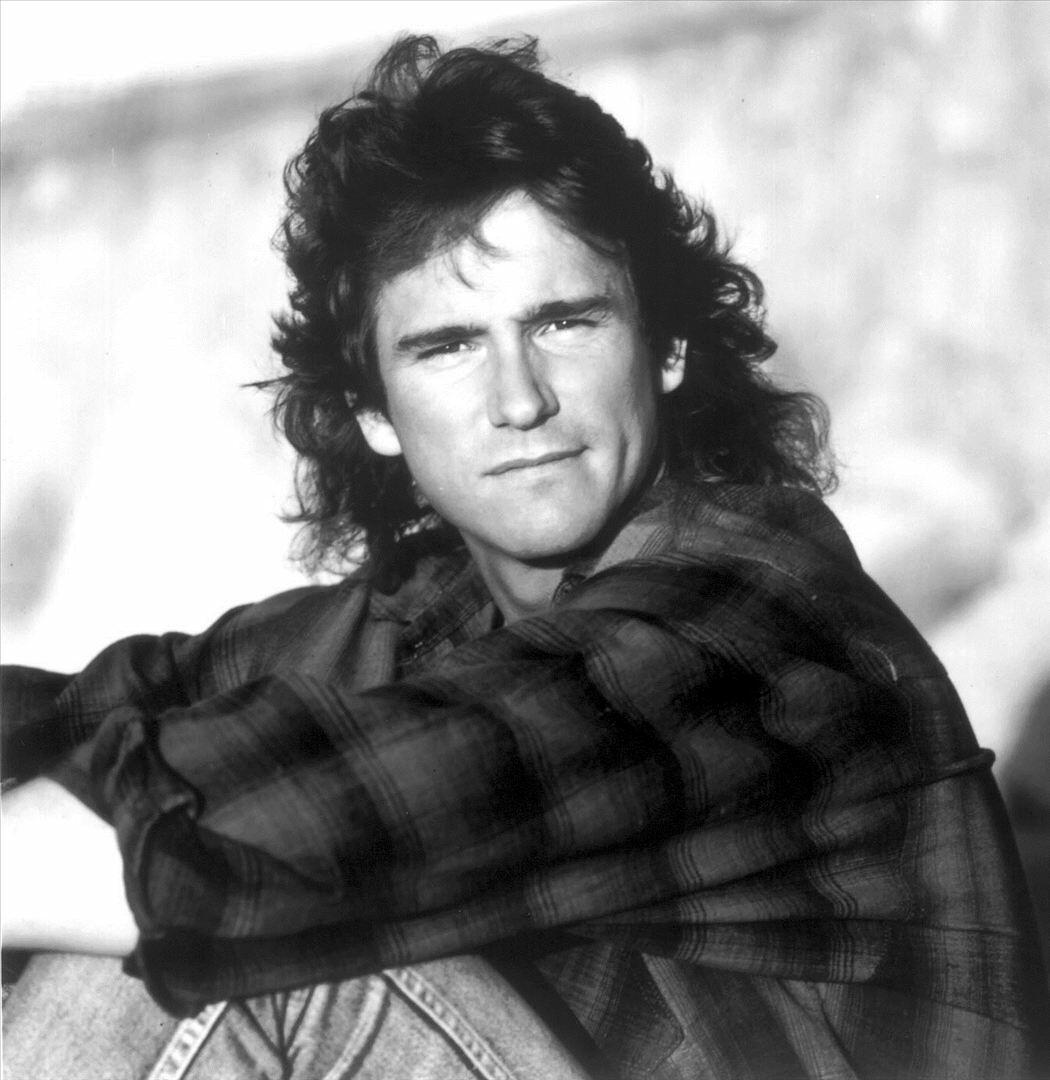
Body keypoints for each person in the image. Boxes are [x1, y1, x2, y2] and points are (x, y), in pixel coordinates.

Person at [2, 35, 1046, 1080]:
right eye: (449, 346)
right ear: (374, 412)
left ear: (665, 347)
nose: (520, 400)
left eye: (564, 323)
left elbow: (294, 826)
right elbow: (81, 716)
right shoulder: (426, 617)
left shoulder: (761, 621)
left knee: (216, 937)